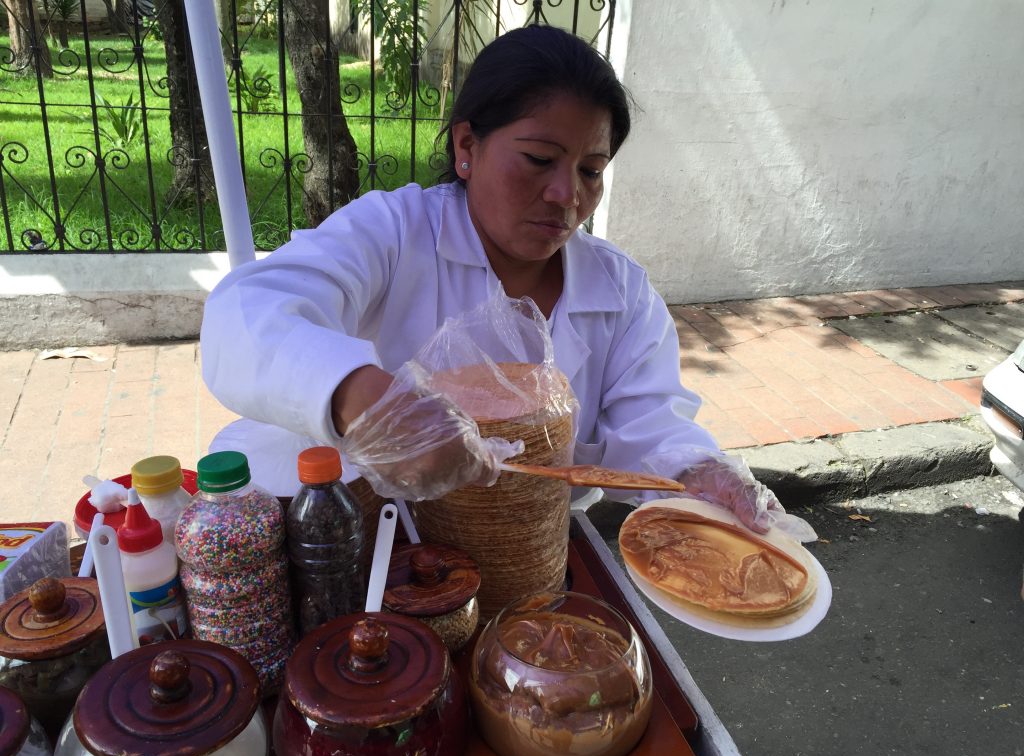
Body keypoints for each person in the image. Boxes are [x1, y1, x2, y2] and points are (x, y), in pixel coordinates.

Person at [201, 25, 808, 539]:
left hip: (533, 550)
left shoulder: (618, 293)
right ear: (468, 146)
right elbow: (246, 314)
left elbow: (651, 423)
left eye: (591, 171)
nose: (567, 195)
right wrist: (370, 401)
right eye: (540, 160)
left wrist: (698, 469)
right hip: (378, 540)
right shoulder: (394, 231)